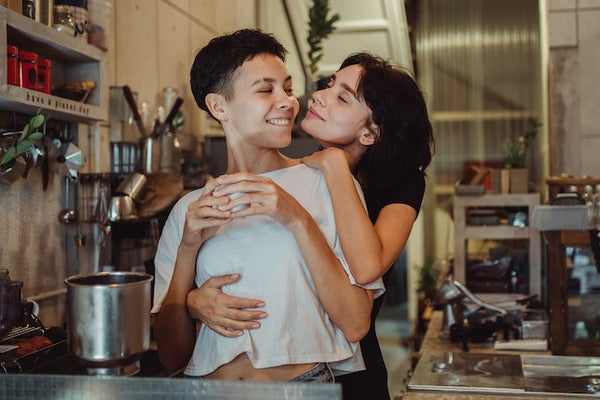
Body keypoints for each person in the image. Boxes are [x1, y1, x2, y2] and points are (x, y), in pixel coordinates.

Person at [187, 52, 434, 399]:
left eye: (341, 97)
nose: (319, 94)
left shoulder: (401, 183)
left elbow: (366, 269)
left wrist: (335, 167)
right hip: (284, 371)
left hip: (352, 370)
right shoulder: (301, 170)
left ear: (370, 132)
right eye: (331, 84)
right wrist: (192, 302)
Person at [151, 29, 383, 383]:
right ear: (218, 106)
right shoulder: (189, 210)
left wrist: (295, 217)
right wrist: (188, 248)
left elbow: (356, 323)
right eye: (265, 90)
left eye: (287, 88)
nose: (288, 101)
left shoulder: (326, 183)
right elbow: (171, 356)